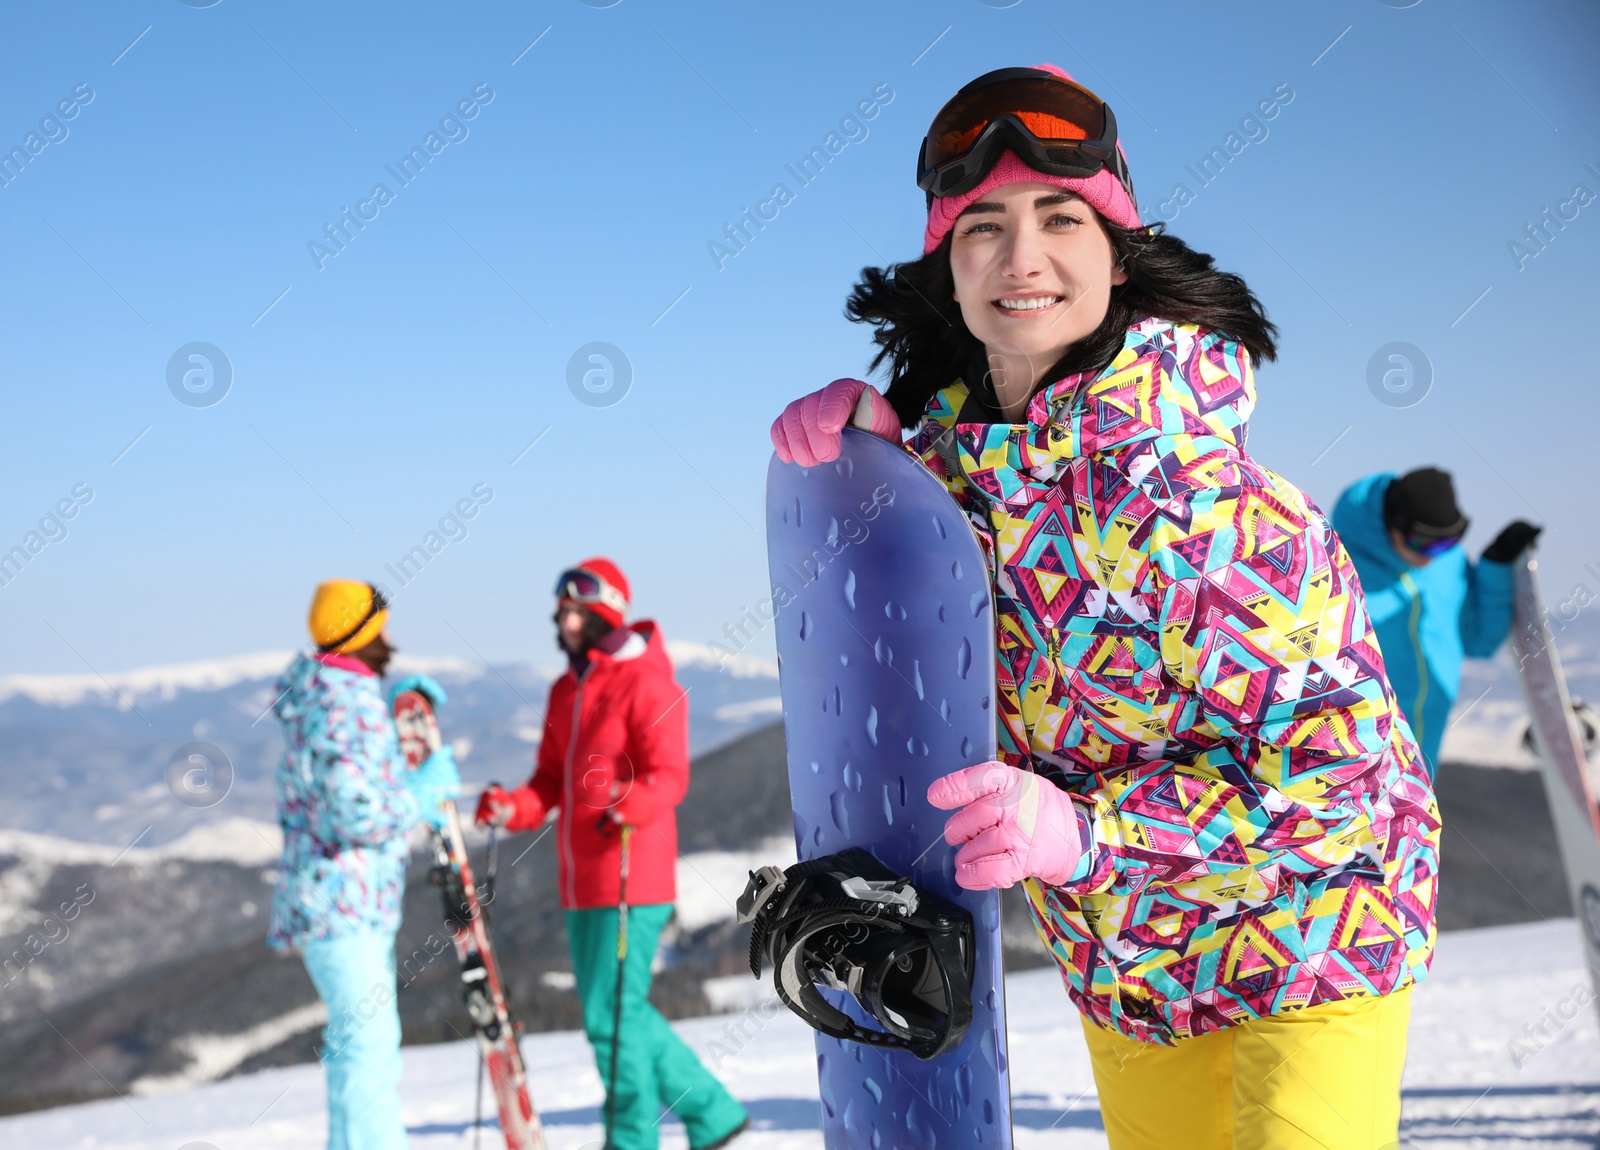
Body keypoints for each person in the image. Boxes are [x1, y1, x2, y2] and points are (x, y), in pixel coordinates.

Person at [770, 65, 1439, 1150]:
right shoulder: (950, 492)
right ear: (948, 263)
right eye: (981, 224)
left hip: (1317, 937)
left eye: (1059, 218)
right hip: (1132, 965)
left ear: (1114, 251)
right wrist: (869, 466)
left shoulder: (1214, 507)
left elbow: (1343, 799)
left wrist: (1088, 832)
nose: (1021, 256)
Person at [475, 558, 748, 1150]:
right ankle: (712, 1111)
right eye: (560, 612)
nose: (564, 622)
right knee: (620, 1014)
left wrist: (631, 800)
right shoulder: (566, 690)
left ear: (605, 612)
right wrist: (511, 807)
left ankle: (631, 1139)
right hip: (580, 882)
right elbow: (549, 780)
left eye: (575, 611)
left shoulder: (647, 683)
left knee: (613, 1022)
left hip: (632, 876)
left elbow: (668, 777)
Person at [267, 580, 460, 1150]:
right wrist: (419, 795)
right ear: (359, 635)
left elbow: (347, 784)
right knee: (369, 1050)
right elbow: (355, 811)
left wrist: (398, 754)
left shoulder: (328, 697)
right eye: (380, 628)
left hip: (345, 900)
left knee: (361, 1046)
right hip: (342, 901)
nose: (390, 639)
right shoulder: (342, 703)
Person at [1333, 466, 1541, 776]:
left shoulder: (1447, 562)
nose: (1434, 554)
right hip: (1356, 756)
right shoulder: (1340, 565)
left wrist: (1495, 569)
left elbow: (1479, 641)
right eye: (1425, 543)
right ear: (1394, 526)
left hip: (1423, 758)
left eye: (1449, 541)